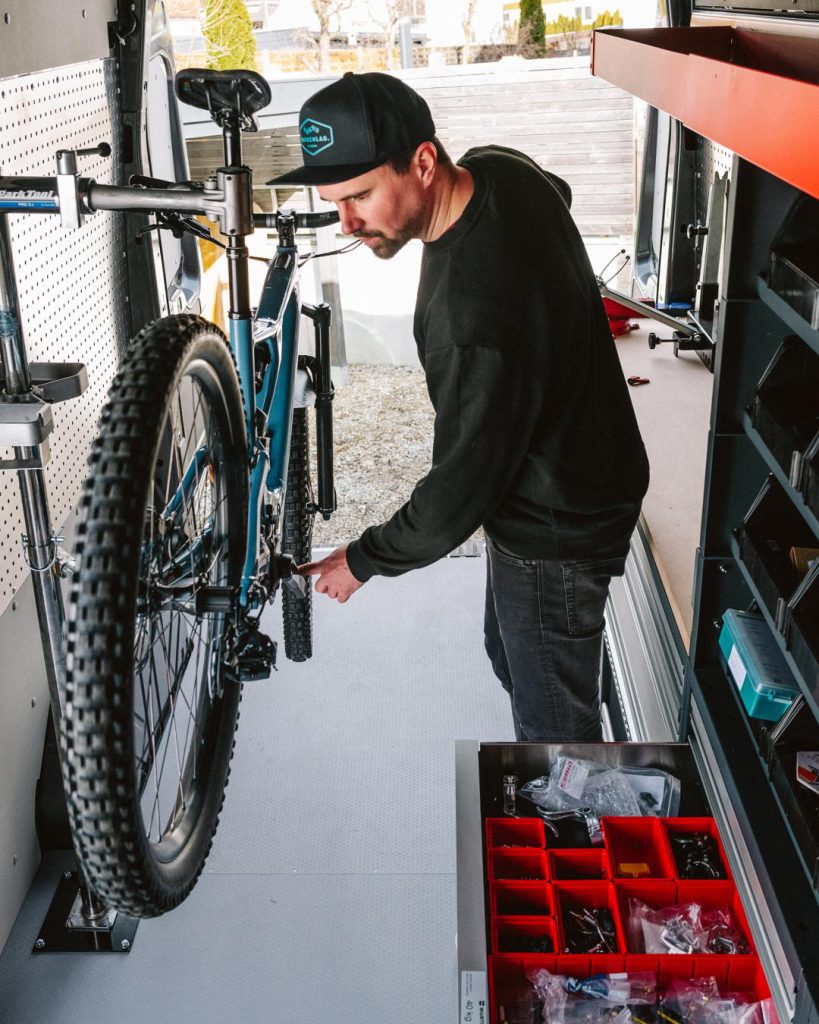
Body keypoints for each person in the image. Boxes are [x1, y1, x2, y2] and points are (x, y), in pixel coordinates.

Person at [270, 72, 649, 742]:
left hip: (554, 525)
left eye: (359, 196)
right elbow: (553, 194)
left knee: (555, 727)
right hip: (586, 469)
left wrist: (362, 559)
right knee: (510, 653)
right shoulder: (500, 170)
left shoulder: (471, 321)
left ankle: (588, 825)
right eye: (334, 202)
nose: (348, 223)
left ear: (422, 163)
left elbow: (454, 497)